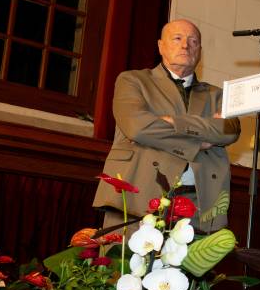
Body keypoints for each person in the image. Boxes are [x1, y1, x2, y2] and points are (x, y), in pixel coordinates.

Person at [94, 19, 241, 231]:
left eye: (193, 41)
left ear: (199, 50)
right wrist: (198, 142)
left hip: (199, 202)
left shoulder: (217, 94)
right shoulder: (133, 80)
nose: (185, 45)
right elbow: (138, 127)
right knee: (127, 262)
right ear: (161, 46)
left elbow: (229, 131)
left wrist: (174, 122)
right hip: (140, 194)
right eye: (177, 38)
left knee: (190, 265)